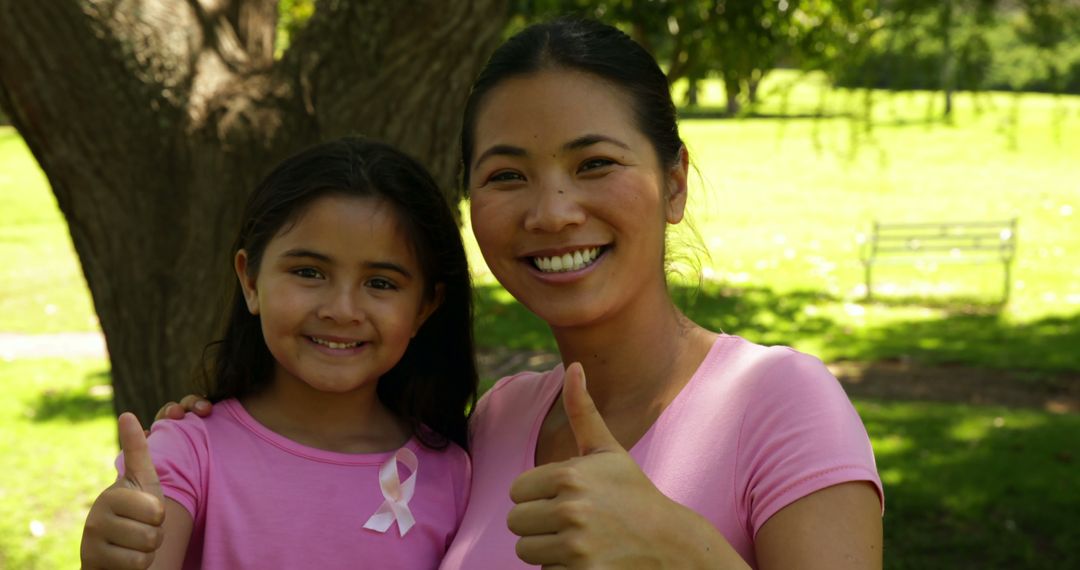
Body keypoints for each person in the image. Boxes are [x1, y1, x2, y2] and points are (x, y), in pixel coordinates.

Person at [82, 18, 883, 569]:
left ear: (674, 182)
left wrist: (685, 553)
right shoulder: (495, 423)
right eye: (507, 175)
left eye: (595, 163)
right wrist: (212, 438)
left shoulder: (780, 401)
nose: (552, 211)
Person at [80, 137, 478, 569]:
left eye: (381, 283)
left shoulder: (453, 473)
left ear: (425, 307)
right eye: (309, 272)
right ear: (250, 282)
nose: (341, 310)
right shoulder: (187, 455)